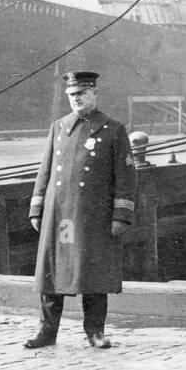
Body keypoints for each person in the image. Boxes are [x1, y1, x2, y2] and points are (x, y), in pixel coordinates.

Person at [26, 71, 135, 349]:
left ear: (94, 94)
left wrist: (121, 215)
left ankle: (95, 332)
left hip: (93, 217)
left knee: (94, 275)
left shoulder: (113, 129)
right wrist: (37, 208)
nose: (76, 99)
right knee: (53, 272)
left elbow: (125, 177)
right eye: (72, 95)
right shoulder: (59, 127)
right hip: (60, 215)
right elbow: (45, 170)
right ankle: (47, 332)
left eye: (82, 94)